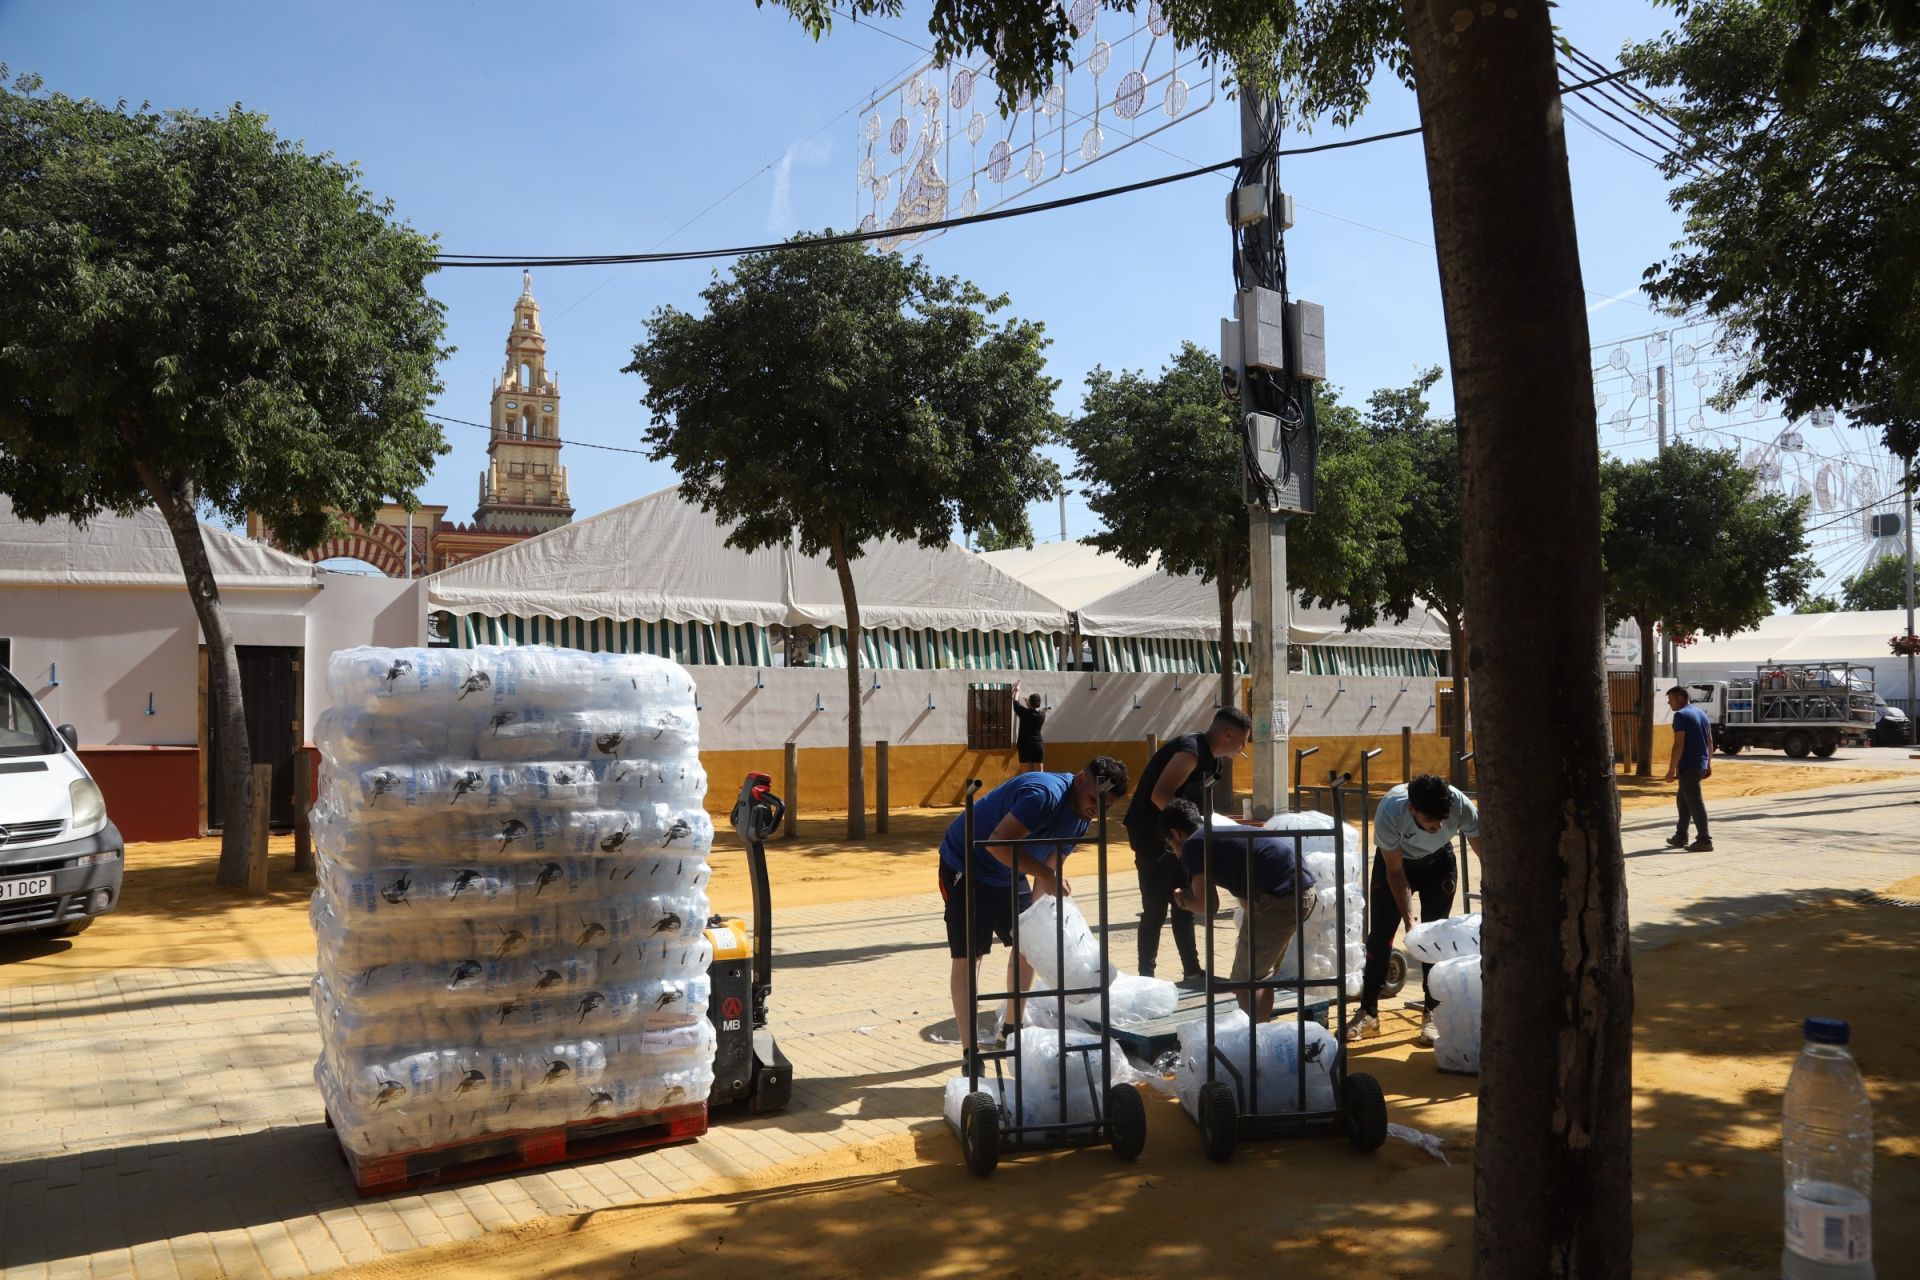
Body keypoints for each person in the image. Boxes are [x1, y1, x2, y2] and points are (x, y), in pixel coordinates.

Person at [939, 756, 1130, 1049]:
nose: (1097, 810)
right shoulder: (1043, 796)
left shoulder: (1081, 818)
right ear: (1081, 778)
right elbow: (997, 844)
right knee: (969, 955)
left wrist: (1045, 918)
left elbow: (1048, 873)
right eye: (1094, 799)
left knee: (1029, 944)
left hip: (1009, 870)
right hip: (966, 864)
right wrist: (1046, 874)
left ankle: (1012, 1028)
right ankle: (970, 1051)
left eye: (1106, 807)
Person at [1122, 707, 1253, 984]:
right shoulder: (1190, 751)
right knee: (1155, 909)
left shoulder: (1214, 761)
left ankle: (1192, 971)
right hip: (1153, 836)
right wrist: (1192, 831)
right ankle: (1146, 978)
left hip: (1184, 838)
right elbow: (1160, 796)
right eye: (1242, 741)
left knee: (1185, 903)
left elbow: (1202, 802)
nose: (1244, 748)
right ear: (1228, 734)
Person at [1351, 773, 1484, 1044]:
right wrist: (1410, 921)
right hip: (1397, 865)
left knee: (1435, 940)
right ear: (1412, 809)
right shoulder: (1390, 812)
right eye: (1431, 819)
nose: (1439, 825)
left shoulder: (1460, 805)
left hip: (1439, 864)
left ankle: (1432, 1013)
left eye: (1443, 818)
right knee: (1381, 936)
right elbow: (1395, 872)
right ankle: (1368, 1013)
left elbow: (1485, 851)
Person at [1159, 799, 1315, 1020]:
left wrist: (1183, 901)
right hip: (1301, 892)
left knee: (1245, 981)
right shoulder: (1217, 834)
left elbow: (1207, 906)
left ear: (1176, 834)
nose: (1175, 853)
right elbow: (1245, 898)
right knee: (1258, 976)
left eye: (1170, 846)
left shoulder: (1193, 845)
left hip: (1279, 897)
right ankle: (1261, 1028)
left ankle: (1255, 1037)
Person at [1664, 684, 1714, 852]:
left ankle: (1704, 840)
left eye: (1670, 699)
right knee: (1683, 800)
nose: (1669, 703)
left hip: (1688, 765)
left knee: (1695, 802)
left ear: (1680, 698)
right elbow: (1710, 741)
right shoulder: (1701, 713)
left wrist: (1671, 770)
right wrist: (1708, 764)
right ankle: (1681, 836)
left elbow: (1679, 744)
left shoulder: (1681, 715)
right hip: (1699, 765)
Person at [1011, 682, 1046, 773]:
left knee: (1027, 774)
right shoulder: (1042, 715)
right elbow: (1033, 712)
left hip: (1024, 745)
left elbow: (1015, 702)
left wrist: (1017, 690)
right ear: (1039, 703)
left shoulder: (1024, 713)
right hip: (1037, 745)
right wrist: (1030, 706)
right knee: (1040, 773)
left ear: (1030, 702)